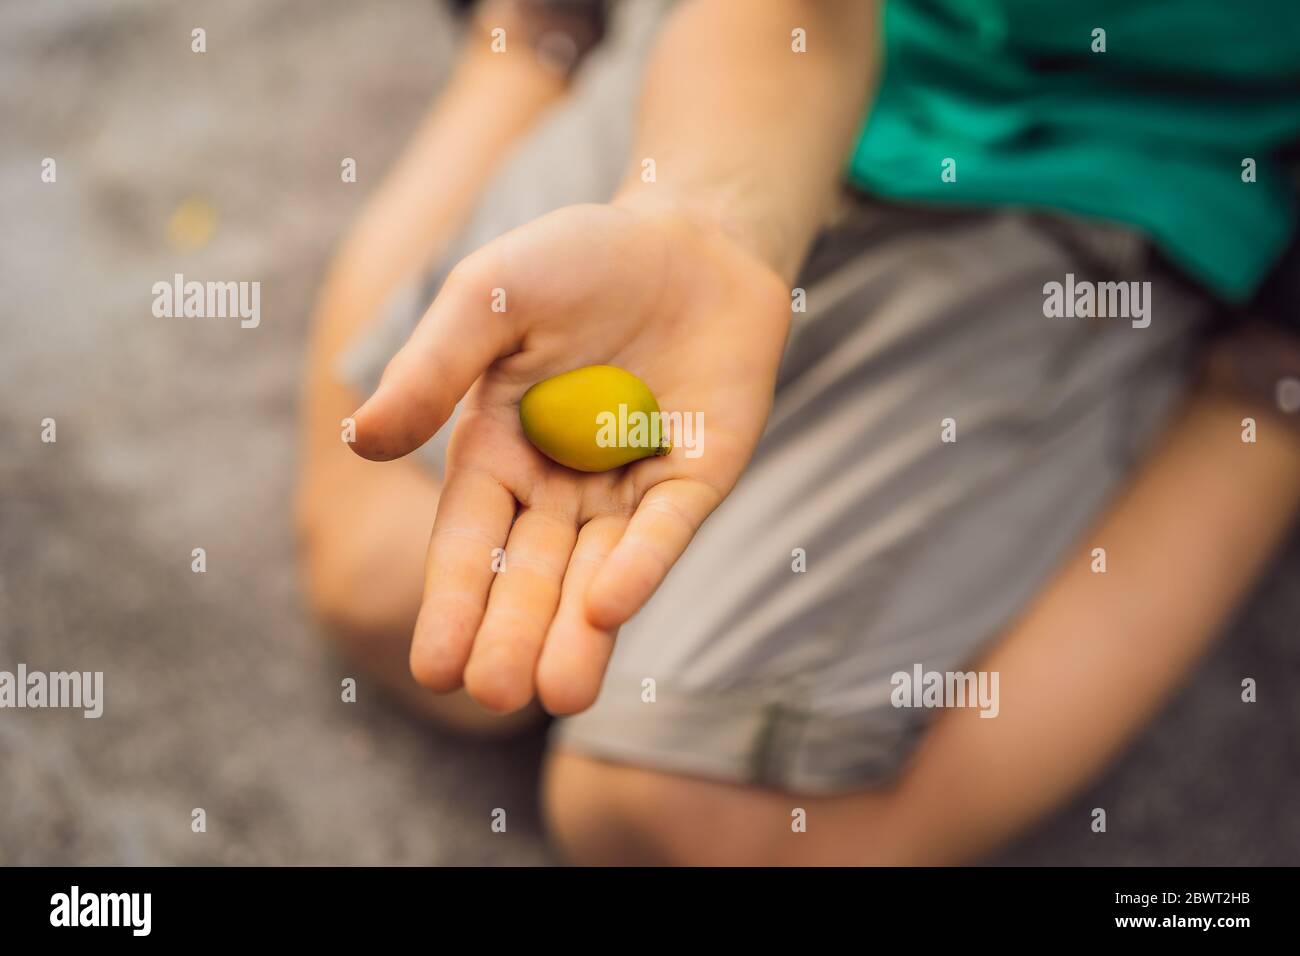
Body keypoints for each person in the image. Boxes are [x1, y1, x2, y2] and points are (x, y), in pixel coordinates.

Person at [296, 0, 1300, 864]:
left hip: (1132, 146)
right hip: (760, 66)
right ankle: (542, 31)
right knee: (390, 588)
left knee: (682, 820)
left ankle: (1267, 390)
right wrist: (705, 221)